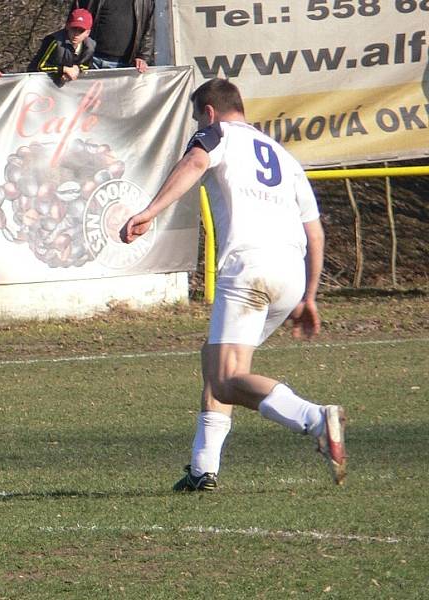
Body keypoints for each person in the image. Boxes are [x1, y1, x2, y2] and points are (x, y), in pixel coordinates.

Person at [121, 78, 347, 490]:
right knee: (217, 361)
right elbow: (315, 233)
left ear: (209, 111)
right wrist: (310, 296)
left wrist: (150, 211)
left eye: (196, 117)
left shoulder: (216, 134)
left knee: (227, 378)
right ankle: (202, 468)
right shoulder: (286, 158)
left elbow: (193, 163)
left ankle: (315, 418)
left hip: (249, 268)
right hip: (291, 274)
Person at [71, 0, 154, 72]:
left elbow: (148, 29)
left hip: (125, 64)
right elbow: (74, 19)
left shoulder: (145, 1)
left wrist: (143, 57)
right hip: (90, 60)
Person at [28, 8, 96, 84]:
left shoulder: (90, 46)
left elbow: (88, 66)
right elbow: (40, 66)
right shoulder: (54, 41)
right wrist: (64, 69)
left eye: (81, 31)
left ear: (88, 33)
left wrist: (77, 68)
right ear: (67, 27)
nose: (76, 34)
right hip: (40, 83)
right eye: (74, 29)